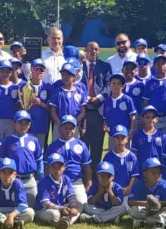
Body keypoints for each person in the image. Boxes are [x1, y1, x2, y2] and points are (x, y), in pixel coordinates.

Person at [45, 115, 92, 204]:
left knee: (81, 203)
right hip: (57, 182)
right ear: (60, 128)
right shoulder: (53, 146)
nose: (69, 131)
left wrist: (89, 183)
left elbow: (87, 166)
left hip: (76, 182)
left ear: (75, 129)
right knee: (54, 205)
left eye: (71, 128)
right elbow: (46, 167)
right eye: (66, 128)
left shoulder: (81, 144)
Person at [0, 110, 44, 201]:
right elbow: (1, 160)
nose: (23, 126)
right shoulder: (8, 140)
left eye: (26, 123)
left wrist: (40, 177)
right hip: (14, 180)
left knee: (32, 205)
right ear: (14, 124)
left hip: (30, 180)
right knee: (15, 205)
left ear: (30, 125)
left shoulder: (34, 140)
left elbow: (39, 160)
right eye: (20, 123)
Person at [82, 41, 112, 169]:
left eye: (96, 49)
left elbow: (108, 86)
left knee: (97, 145)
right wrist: (85, 98)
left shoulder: (105, 66)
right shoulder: (80, 66)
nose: (93, 52)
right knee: (83, 143)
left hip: (99, 110)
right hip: (83, 111)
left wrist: (98, 98)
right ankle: (83, 173)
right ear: (85, 51)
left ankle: (95, 173)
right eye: (90, 49)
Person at [35, 153, 82, 229]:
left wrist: (73, 206)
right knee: (54, 214)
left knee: (79, 204)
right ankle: (63, 220)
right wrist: (60, 208)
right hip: (44, 209)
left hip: (62, 206)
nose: (57, 170)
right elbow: (45, 203)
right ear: (49, 168)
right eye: (54, 167)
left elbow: (71, 195)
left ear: (64, 167)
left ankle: (66, 221)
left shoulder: (66, 179)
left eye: (60, 167)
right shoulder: (44, 182)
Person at [127, 157, 166, 229]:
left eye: (159, 173)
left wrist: (156, 204)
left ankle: (142, 223)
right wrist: (148, 204)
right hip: (144, 209)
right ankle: (158, 223)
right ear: (144, 173)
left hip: (158, 210)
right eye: (153, 172)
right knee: (134, 210)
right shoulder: (138, 185)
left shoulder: (163, 185)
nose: (157, 175)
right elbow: (130, 202)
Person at [47, 63, 87, 143]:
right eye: (63, 75)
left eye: (68, 75)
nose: (65, 77)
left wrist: (74, 123)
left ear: (74, 77)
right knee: (58, 146)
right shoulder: (57, 92)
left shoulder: (80, 92)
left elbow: (83, 112)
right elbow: (53, 112)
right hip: (59, 125)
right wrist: (60, 124)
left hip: (73, 126)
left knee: (73, 145)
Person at [20, 58, 50, 147]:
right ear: (31, 70)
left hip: (41, 125)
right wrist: (28, 104)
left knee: (39, 150)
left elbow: (51, 108)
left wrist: (40, 103)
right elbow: (19, 106)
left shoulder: (47, 87)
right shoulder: (24, 87)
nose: (38, 72)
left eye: (41, 70)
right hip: (26, 126)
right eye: (35, 69)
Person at [101, 125, 139, 195]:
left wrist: (129, 188)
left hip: (128, 190)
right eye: (117, 138)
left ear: (127, 139)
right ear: (113, 139)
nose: (120, 140)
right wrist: (112, 189)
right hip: (112, 190)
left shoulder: (132, 156)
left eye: (122, 138)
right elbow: (106, 176)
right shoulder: (108, 156)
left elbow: (134, 176)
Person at [144, 54, 166, 133]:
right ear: (154, 66)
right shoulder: (149, 82)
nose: (161, 66)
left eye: (163, 63)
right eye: (158, 63)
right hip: (153, 118)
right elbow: (145, 102)